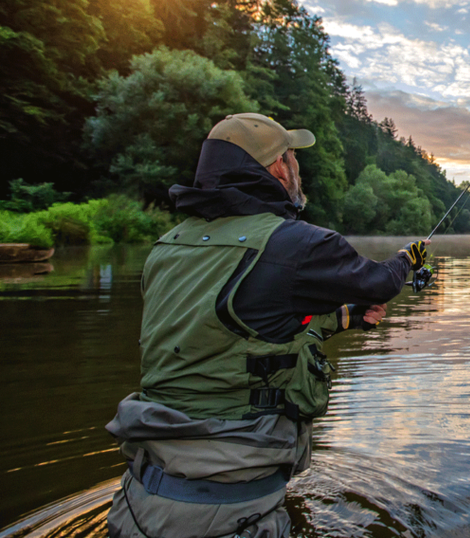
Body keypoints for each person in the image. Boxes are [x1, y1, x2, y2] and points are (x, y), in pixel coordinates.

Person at [106, 112, 428, 538]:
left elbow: (235, 330)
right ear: (278, 166)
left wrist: (347, 317)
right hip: (230, 515)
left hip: (136, 502)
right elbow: (378, 283)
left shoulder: (167, 248)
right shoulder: (300, 244)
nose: (298, 168)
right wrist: (407, 258)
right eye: (294, 158)